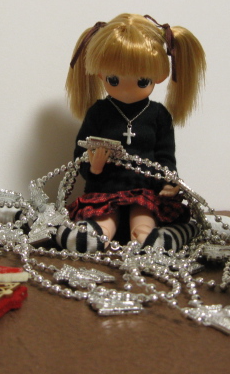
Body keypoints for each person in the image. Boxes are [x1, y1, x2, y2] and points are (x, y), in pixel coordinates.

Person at [57, 13, 207, 253]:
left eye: (142, 81)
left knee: (143, 223)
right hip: (106, 190)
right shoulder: (99, 112)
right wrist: (94, 168)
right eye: (114, 79)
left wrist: (170, 181)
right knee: (102, 225)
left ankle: (153, 238)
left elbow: (165, 156)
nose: (126, 89)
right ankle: (93, 235)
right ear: (100, 74)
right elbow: (80, 154)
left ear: (159, 77)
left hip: (145, 191)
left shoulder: (158, 115)